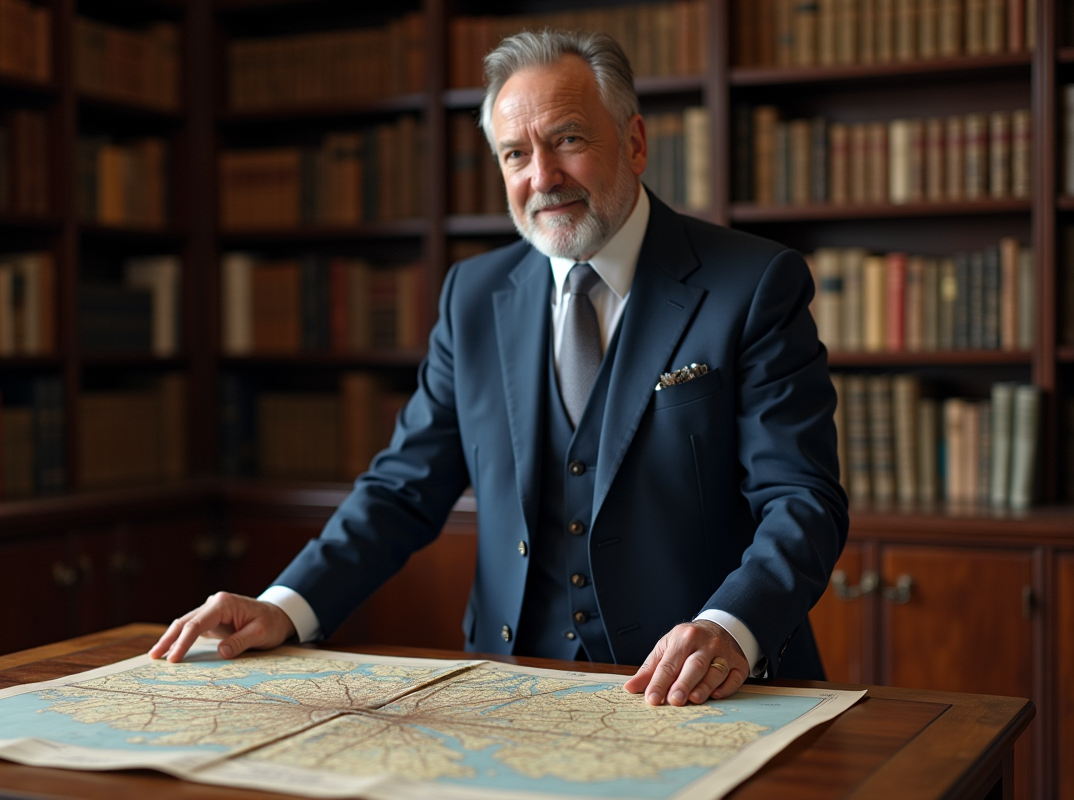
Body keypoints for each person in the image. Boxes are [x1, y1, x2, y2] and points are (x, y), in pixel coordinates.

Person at [152, 30, 847, 709]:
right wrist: (284, 606)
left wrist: (728, 626)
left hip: (702, 692)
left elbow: (801, 499)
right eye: (516, 153)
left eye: (568, 139)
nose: (542, 177)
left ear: (634, 142)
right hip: (510, 691)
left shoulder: (753, 284)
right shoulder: (473, 296)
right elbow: (402, 490)